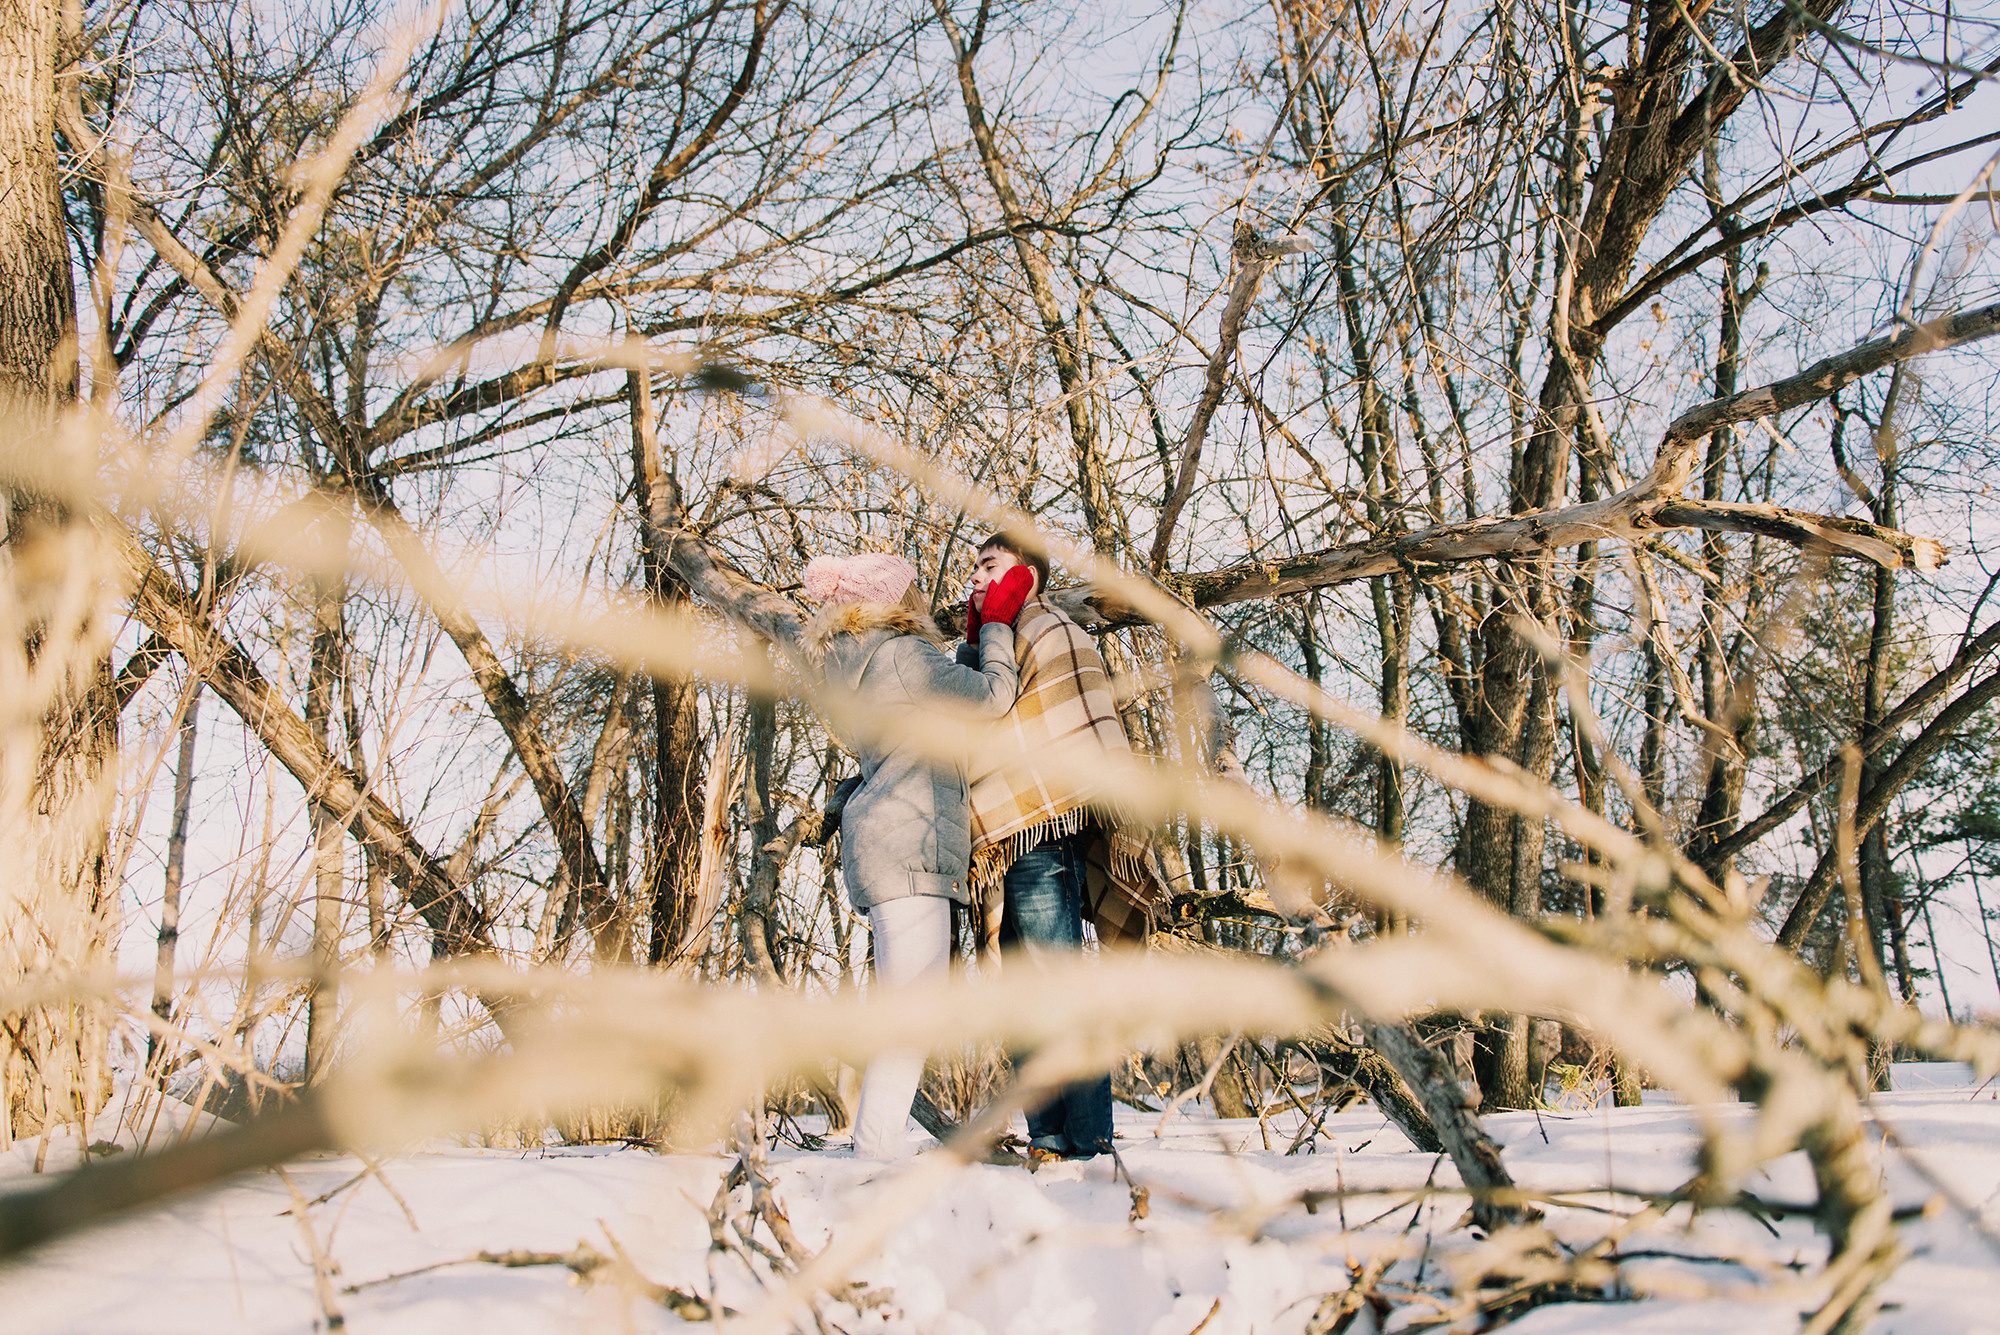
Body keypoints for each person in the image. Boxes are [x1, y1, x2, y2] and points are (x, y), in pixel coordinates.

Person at [803, 549, 1035, 1159]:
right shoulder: (902, 654)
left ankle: (873, 1144)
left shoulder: (856, 664)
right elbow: (990, 697)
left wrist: (965, 643)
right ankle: (874, 1152)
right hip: (909, 841)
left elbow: (936, 699)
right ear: (893, 600)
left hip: (882, 841)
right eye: (911, 590)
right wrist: (996, 626)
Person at [958, 532, 1172, 1167]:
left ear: (1026, 574)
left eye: (988, 565)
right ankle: (1047, 1135)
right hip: (999, 838)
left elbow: (1076, 722)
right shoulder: (983, 639)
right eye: (973, 564)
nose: (975, 575)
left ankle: (1089, 1139)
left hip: (1045, 830)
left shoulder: (1051, 628)